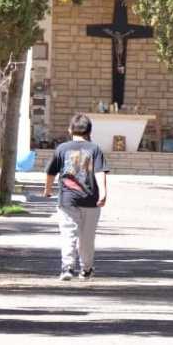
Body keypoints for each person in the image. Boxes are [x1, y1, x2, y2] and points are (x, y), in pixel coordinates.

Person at [43, 114, 110, 281]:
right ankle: (86, 269)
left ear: (70, 130)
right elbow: (99, 172)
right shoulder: (94, 149)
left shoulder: (62, 148)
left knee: (68, 233)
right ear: (89, 131)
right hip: (90, 199)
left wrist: (48, 190)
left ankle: (67, 268)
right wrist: (103, 193)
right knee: (87, 237)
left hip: (67, 199)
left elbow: (51, 172)